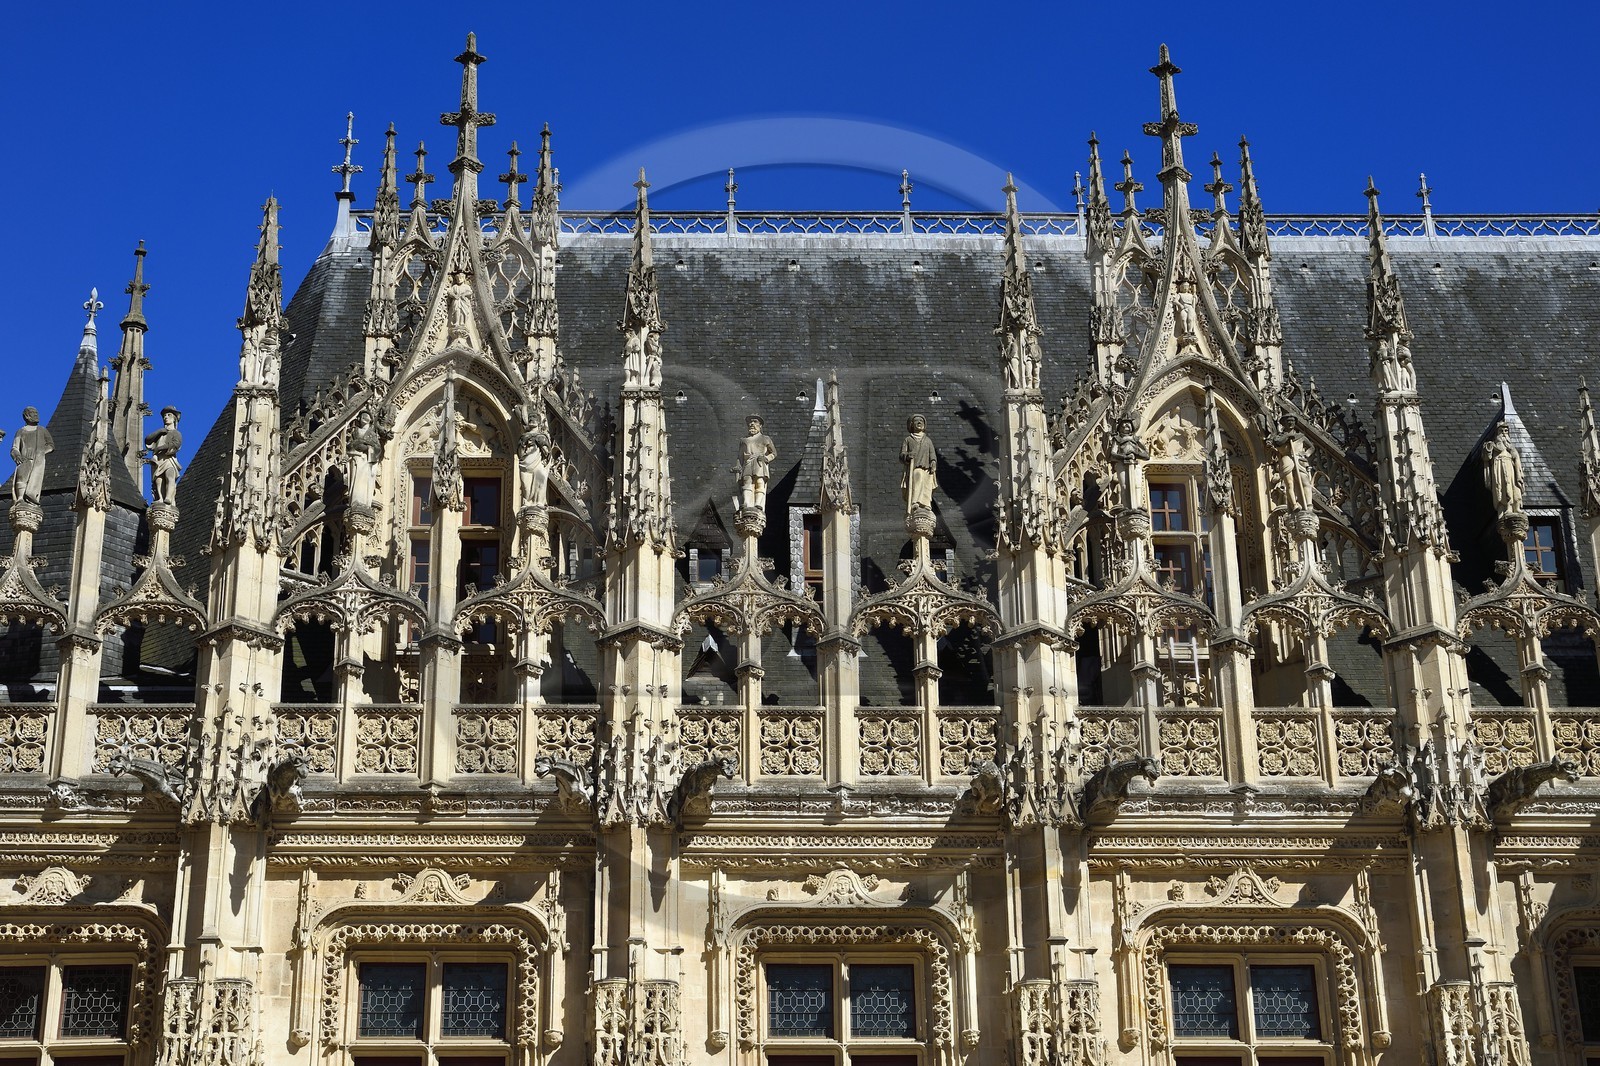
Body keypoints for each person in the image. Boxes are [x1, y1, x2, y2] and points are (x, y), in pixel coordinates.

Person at [10, 406, 53, 504]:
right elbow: (14, 448)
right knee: (22, 477)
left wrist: (41, 452)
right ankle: (20, 498)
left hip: (37, 460)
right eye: (33, 413)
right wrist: (17, 456)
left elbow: (51, 446)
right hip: (24, 459)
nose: (36, 415)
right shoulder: (20, 431)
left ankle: (31, 496)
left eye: (36, 413)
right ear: (27, 416)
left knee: (34, 480)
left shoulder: (42, 430)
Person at [1482, 421, 1524, 516]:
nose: (1504, 434)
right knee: (1502, 487)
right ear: (1497, 433)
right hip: (1499, 466)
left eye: (1506, 431)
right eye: (1501, 431)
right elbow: (1486, 457)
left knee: (1514, 487)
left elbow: (1515, 457)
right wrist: (1489, 448)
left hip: (1509, 466)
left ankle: (1516, 507)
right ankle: (1506, 507)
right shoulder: (1492, 445)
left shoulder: (1510, 447)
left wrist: (1513, 452)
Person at [736, 415, 776, 512]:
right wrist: (737, 466)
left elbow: (774, 453)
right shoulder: (744, 440)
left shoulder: (765, 439)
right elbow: (740, 456)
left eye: (755, 422)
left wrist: (766, 458)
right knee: (747, 481)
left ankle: (758, 503)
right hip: (748, 462)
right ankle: (746, 502)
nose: (752, 424)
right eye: (750, 422)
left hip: (759, 462)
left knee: (759, 482)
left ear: (760, 425)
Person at [345, 411, 383, 513]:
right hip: (356, 459)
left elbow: (377, 448)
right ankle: (355, 501)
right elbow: (349, 445)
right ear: (359, 419)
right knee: (356, 482)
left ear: (370, 420)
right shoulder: (355, 432)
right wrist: (357, 444)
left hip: (366, 461)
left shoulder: (372, 434)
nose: (365, 417)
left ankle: (362, 502)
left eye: (367, 416)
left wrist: (367, 447)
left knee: (363, 482)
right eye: (363, 416)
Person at [144, 407, 183, 505]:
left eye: (169, 415)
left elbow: (176, 444)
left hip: (168, 459)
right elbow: (148, 440)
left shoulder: (176, 433)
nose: (166, 417)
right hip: (158, 461)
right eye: (164, 415)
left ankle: (168, 498)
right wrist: (159, 431)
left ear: (174, 418)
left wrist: (161, 448)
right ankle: (160, 498)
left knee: (169, 476)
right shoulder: (161, 433)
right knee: (159, 480)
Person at [900, 414, 937, 514]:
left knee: (927, 485)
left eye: (921, 421)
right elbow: (902, 454)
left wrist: (933, 462)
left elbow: (932, 453)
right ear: (912, 424)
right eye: (916, 421)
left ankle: (925, 504)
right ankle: (915, 501)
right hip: (915, 467)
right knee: (918, 477)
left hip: (927, 468)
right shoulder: (908, 439)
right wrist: (907, 456)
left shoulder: (928, 440)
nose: (919, 422)